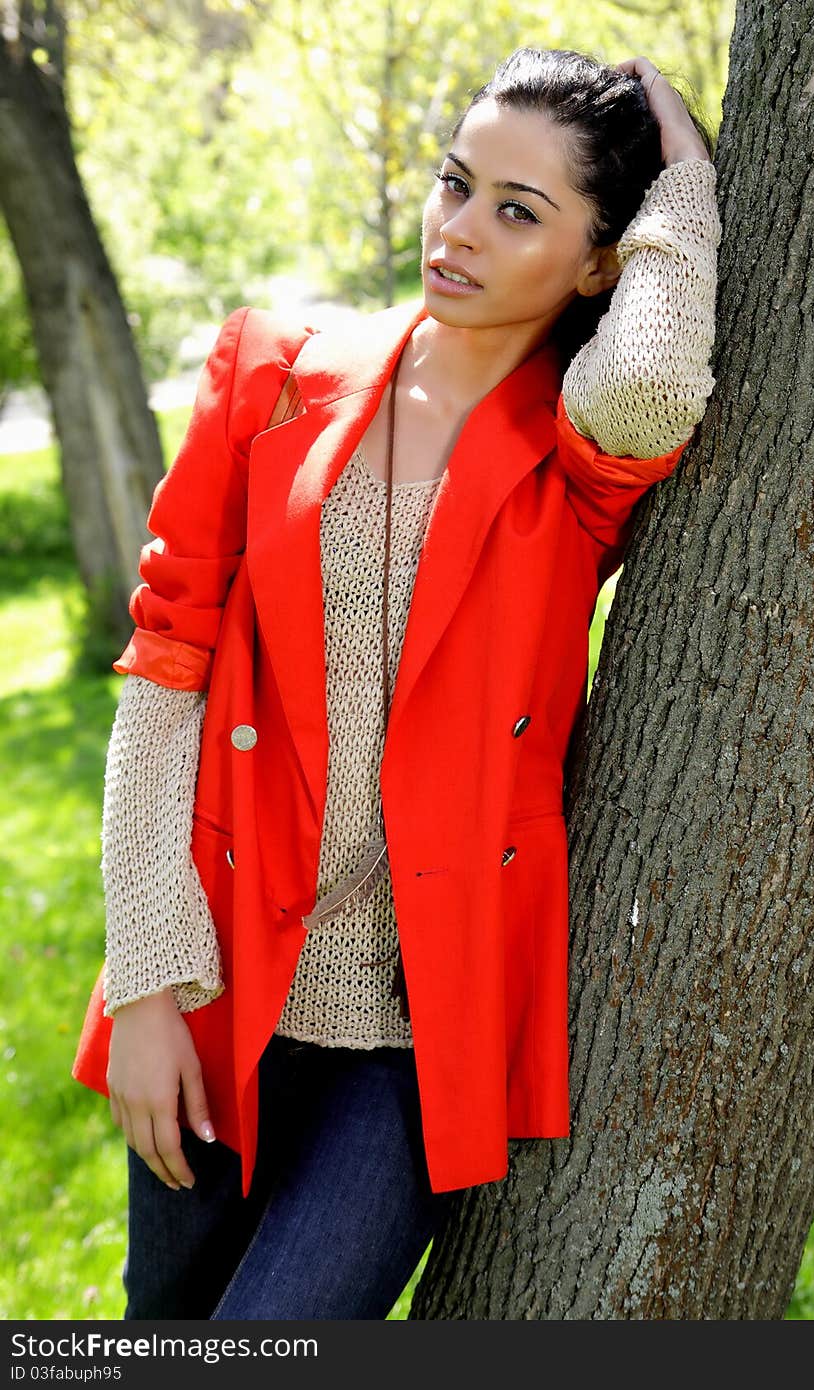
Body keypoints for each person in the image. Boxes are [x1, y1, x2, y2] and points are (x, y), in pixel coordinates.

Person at [72, 46, 721, 1320]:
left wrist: (686, 184)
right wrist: (147, 987)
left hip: (414, 1039)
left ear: (599, 261)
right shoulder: (267, 370)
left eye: (517, 212)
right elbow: (165, 672)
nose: (459, 230)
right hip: (211, 982)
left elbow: (648, 374)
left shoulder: (576, 453)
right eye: (455, 183)